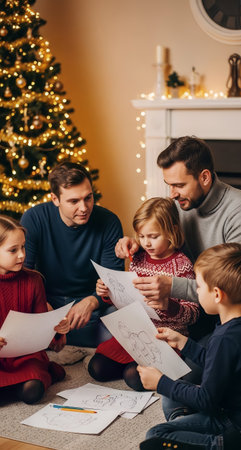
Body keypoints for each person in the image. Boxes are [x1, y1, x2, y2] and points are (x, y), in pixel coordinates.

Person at [115, 136, 241, 312]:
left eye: (179, 185)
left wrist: (172, 286)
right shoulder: (179, 205)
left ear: (204, 177)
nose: (172, 194)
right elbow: (167, 243)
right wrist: (138, 246)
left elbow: (235, 289)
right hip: (191, 305)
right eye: (169, 185)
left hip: (231, 313)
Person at [138, 243, 241, 450]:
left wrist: (160, 382)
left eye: (199, 287)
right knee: (171, 396)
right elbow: (218, 364)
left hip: (237, 427)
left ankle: (216, 445)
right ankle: (189, 427)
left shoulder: (225, 338)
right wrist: (184, 344)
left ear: (217, 294)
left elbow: (206, 399)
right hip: (238, 411)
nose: (197, 292)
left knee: (156, 435)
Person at [88, 197, 199, 390]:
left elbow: (193, 314)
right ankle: (134, 364)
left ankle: (150, 369)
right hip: (135, 332)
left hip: (164, 338)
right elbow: (127, 296)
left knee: (133, 377)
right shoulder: (138, 258)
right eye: (141, 236)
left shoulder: (182, 265)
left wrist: (168, 305)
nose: (146, 243)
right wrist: (108, 292)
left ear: (171, 231)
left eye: (153, 236)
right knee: (96, 368)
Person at [21, 162, 124, 348]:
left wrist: (92, 301)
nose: (84, 208)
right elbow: (24, 273)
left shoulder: (109, 222)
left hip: (91, 304)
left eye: (88, 198)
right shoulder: (34, 218)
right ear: (55, 199)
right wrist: (41, 305)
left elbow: (113, 281)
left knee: (121, 322)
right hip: (47, 303)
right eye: (74, 201)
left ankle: (61, 340)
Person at [0, 215, 69, 404]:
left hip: (25, 356)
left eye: (23, 247)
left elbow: (41, 325)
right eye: (13, 250)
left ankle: (32, 378)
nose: (22, 255)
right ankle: (19, 384)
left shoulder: (33, 280)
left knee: (32, 392)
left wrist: (57, 329)